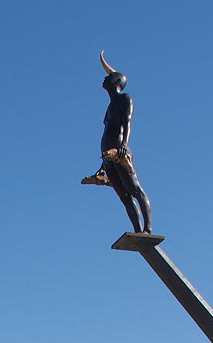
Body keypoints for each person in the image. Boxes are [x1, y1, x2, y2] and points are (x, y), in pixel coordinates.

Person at [82, 51, 153, 234]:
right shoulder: (109, 107)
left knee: (135, 189)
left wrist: (123, 145)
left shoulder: (125, 99)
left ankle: (148, 228)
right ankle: (138, 232)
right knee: (124, 196)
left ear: (117, 81)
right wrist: (103, 163)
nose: (104, 80)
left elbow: (127, 122)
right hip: (108, 156)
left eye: (109, 78)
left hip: (120, 151)